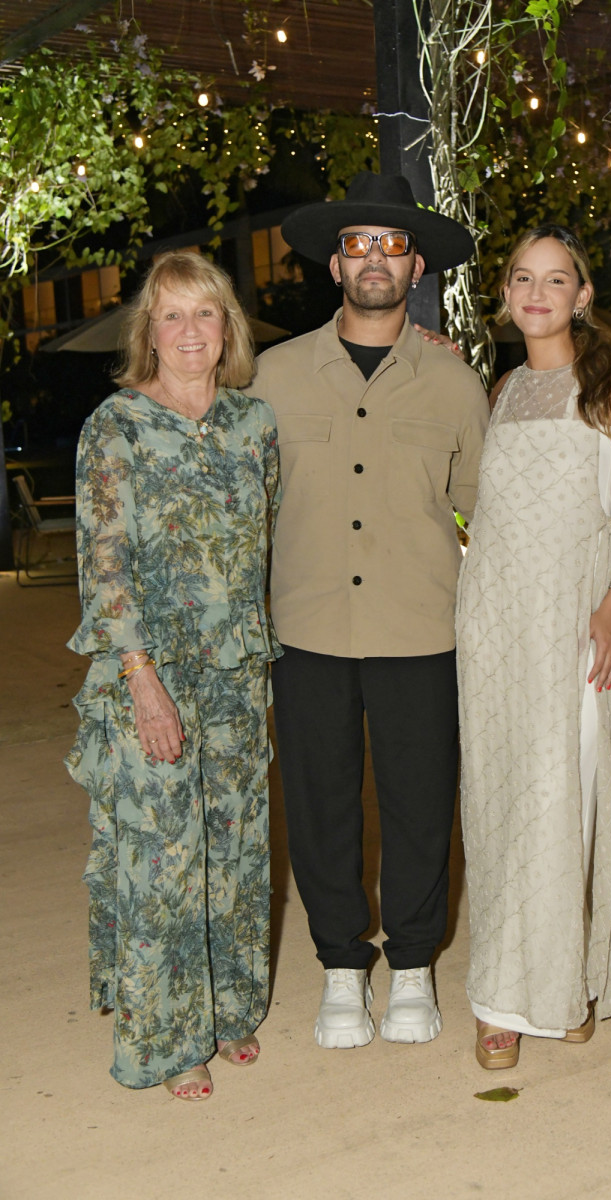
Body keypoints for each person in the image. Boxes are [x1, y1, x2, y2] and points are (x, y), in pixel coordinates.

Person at [250, 172, 489, 1048]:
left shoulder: (454, 384)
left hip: (420, 629)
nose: (375, 259)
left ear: (416, 266)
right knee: (320, 807)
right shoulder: (271, 378)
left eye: (392, 245)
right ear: (335, 265)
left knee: (421, 805)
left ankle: (415, 965)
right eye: (358, 244)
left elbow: (483, 512)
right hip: (306, 630)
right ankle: (343, 969)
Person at [65, 251, 282, 1100]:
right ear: (148, 333)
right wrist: (140, 676)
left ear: (227, 326)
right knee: (163, 856)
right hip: (149, 670)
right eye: (172, 315)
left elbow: (260, 544)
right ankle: (168, 1040)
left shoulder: (254, 424)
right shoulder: (114, 427)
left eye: (205, 313)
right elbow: (105, 563)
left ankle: (228, 1009)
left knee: (233, 846)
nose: (191, 331)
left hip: (237, 670)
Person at [456, 224, 611, 1069]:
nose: (536, 293)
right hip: (494, 625)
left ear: (582, 295)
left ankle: (552, 986)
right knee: (500, 795)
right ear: (505, 294)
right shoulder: (503, 388)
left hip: (579, 623)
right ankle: (508, 996)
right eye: (521, 278)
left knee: (561, 795)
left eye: (555, 279)